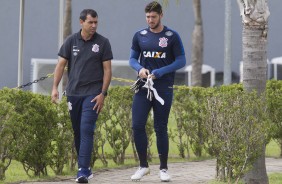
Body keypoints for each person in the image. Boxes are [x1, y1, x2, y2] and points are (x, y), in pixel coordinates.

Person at [51, 9, 112, 183]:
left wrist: (103, 94)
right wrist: (54, 87)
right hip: (73, 94)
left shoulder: (103, 43)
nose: (93, 26)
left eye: (96, 23)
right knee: (78, 132)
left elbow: (108, 70)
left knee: (86, 129)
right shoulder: (71, 41)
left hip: (93, 94)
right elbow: (61, 65)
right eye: (90, 22)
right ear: (81, 22)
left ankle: (82, 171)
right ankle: (86, 167)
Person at [129, 1, 186, 182]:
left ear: (161, 15)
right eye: (147, 17)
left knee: (160, 127)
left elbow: (181, 60)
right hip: (143, 86)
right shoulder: (140, 35)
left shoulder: (171, 36)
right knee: (137, 125)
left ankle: (163, 168)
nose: (150, 20)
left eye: (153, 17)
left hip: (163, 87)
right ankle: (143, 166)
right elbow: (132, 58)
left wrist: (161, 72)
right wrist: (139, 69)